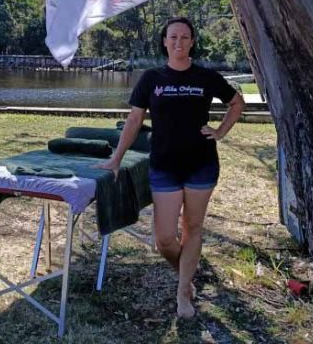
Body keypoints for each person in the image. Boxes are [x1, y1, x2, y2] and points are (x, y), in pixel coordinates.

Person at [99, 17, 245, 318]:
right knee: (164, 238)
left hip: (201, 164)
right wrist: (116, 158)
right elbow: (135, 120)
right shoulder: (151, 78)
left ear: (192, 41)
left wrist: (219, 132)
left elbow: (237, 102)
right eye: (173, 37)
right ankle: (186, 274)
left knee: (192, 228)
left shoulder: (205, 77)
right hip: (164, 164)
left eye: (185, 37)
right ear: (164, 42)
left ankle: (183, 293)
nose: (178, 42)